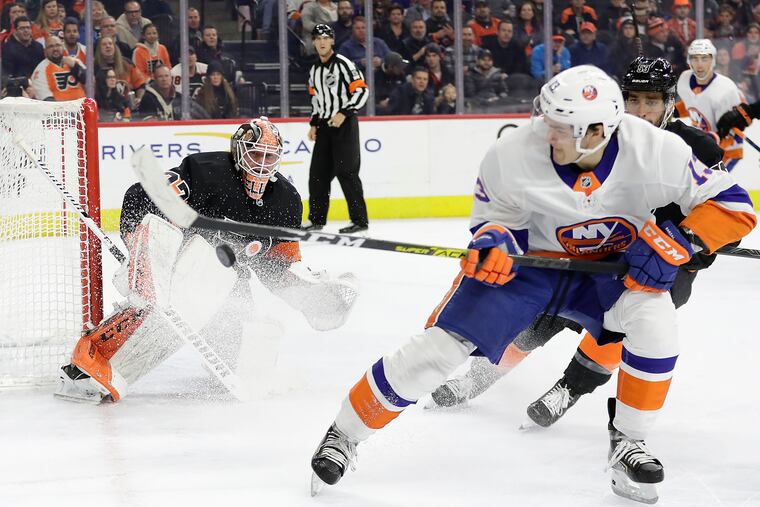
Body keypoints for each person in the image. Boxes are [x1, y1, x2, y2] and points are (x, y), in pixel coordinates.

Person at [309, 65, 756, 504]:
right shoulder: (512, 152)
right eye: (547, 119)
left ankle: (629, 442)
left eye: (560, 127)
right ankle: (344, 435)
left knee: (657, 323)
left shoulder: (658, 150)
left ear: (597, 130)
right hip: (533, 269)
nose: (546, 131)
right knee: (440, 348)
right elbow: (494, 222)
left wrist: (678, 242)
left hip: (611, 270)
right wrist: (495, 243)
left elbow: (735, 205)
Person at [428, 58, 730, 429]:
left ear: (670, 103)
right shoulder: (599, 135)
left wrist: (691, 246)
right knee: (541, 318)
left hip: (662, 263)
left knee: (620, 330)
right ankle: (478, 377)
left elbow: (721, 212)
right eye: (632, 100)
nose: (641, 111)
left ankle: (569, 390)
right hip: (600, 246)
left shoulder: (697, 147)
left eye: (651, 101)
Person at [55, 117, 359, 404]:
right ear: (239, 152)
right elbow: (142, 196)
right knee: (186, 302)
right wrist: (142, 247)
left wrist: (311, 298)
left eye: (270, 157)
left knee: (247, 355)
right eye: (256, 156)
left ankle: (209, 353)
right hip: (175, 259)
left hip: (228, 275)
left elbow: (276, 267)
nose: (262, 165)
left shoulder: (286, 201)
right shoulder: (206, 171)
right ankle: (93, 360)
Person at [304, 24, 369, 234]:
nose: (322, 42)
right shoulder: (314, 70)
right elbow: (315, 99)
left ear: (332, 41)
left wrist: (345, 112)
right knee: (317, 175)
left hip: (344, 125)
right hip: (324, 127)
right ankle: (316, 220)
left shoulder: (344, 64)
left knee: (347, 172)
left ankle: (360, 221)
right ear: (313, 42)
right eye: (318, 38)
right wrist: (314, 123)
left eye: (326, 38)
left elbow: (361, 91)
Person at [675, 39, 746, 170]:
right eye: (695, 59)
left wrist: (711, 143)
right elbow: (692, 105)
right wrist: (673, 111)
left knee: (712, 187)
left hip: (727, 150)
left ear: (712, 60)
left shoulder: (726, 89)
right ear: (688, 61)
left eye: (704, 58)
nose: (699, 64)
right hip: (702, 144)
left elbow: (730, 131)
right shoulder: (684, 79)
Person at [94, 35, 147, 106]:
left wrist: (139, 98)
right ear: (99, 49)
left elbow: (141, 85)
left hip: (127, 107)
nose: (108, 46)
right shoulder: (94, 67)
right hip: (103, 108)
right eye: (104, 44)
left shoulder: (127, 64)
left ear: (115, 46)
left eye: (110, 43)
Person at [30, 35, 85, 101]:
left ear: (63, 47)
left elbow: (90, 82)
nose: (55, 49)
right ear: (45, 51)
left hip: (83, 106)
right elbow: (47, 99)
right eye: (51, 46)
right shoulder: (40, 70)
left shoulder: (74, 62)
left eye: (58, 45)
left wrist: (75, 67)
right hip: (59, 109)